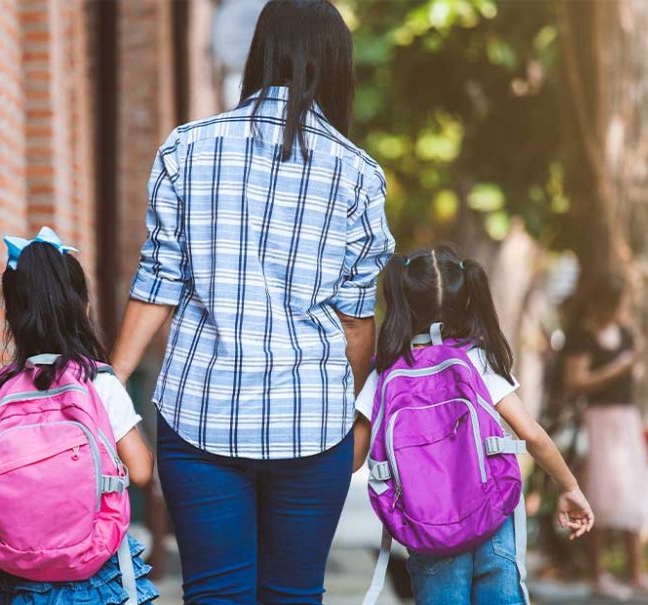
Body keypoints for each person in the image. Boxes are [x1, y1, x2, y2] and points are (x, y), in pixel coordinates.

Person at [109, 1, 395, 602]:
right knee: (294, 595)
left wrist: (107, 388)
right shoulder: (358, 173)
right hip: (312, 419)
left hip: (198, 414)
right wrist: (356, 419)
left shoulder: (187, 149)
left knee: (214, 593)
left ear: (259, 53)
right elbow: (356, 323)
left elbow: (157, 282)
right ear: (336, 67)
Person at [352, 246, 594, 605]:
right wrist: (569, 486)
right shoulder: (477, 359)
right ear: (466, 296)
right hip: (492, 520)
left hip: (427, 531)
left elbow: (354, 460)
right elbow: (531, 435)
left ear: (400, 299)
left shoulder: (384, 372)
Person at [0, 228, 158, 605]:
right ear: (82, 307)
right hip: (97, 574)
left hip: (19, 578)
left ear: (13, 312)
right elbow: (141, 470)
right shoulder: (98, 383)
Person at [563, 274, 648, 599]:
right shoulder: (583, 336)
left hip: (626, 419)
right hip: (598, 420)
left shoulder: (627, 334)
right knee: (597, 493)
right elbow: (576, 381)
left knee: (631, 493)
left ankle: (636, 571)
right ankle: (598, 573)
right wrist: (618, 368)